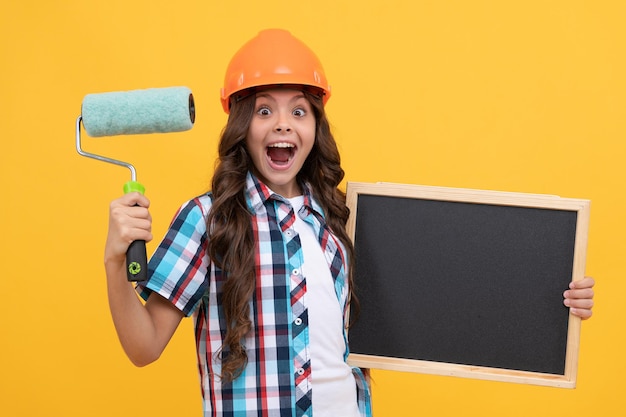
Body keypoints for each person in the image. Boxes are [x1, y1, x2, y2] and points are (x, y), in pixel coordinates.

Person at [103, 29, 596, 417]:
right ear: (240, 129)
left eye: (299, 110)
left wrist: (547, 306)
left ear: (315, 128)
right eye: (263, 110)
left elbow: (450, 295)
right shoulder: (208, 220)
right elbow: (143, 346)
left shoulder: (342, 219)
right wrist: (113, 259)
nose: (283, 124)